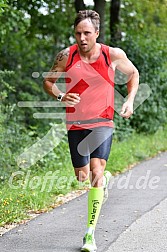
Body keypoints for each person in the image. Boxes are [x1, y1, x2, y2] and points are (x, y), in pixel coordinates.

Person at [43, 9, 139, 252]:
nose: (82, 38)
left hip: (102, 121)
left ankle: (89, 234)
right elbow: (48, 82)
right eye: (78, 33)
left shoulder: (112, 55)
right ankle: (101, 181)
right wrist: (62, 96)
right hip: (75, 123)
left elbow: (133, 73)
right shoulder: (66, 55)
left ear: (96, 33)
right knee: (82, 175)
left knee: (96, 171)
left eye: (87, 33)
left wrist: (128, 100)